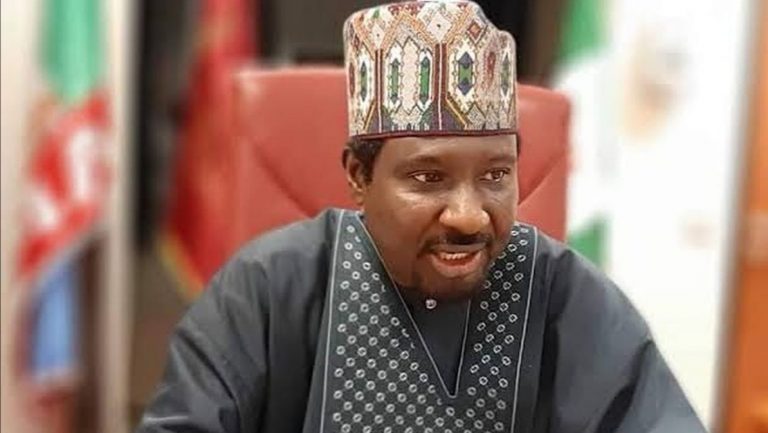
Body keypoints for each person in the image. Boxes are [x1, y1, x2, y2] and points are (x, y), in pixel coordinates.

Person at [136, 1, 706, 432]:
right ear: (359, 177)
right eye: (428, 178)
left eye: (496, 176)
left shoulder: (564, 294)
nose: (469, 216)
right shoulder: (265, 290)